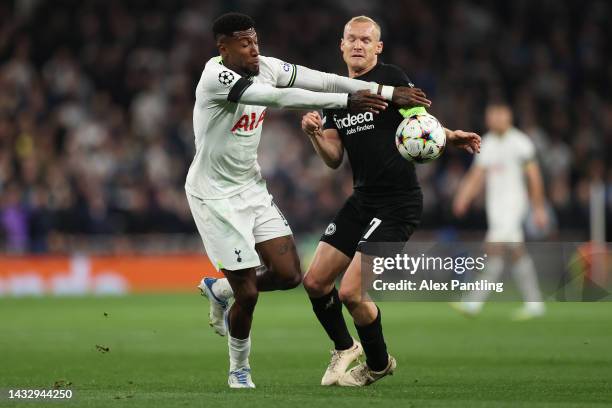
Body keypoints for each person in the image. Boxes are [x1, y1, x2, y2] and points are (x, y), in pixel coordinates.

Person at [187, 12, 427, 389]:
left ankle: (220, 289)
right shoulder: (215, 78)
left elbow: (326, 80)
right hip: (214, 195)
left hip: (253, 186)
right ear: (223, 48)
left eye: (255, 39)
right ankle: (240, 368)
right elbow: (278, 98)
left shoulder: (267, 65)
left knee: (291, 276)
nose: (254, 48)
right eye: (244, 43)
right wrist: (346, 104)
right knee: (253, 291)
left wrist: (379, 92)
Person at [300, 16, 481, 387]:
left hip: (399, 203)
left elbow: (420, 120)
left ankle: (378, 364)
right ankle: (346, 347)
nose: (358, 45)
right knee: (316, 282)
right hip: (363, 198)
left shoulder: (391, 78)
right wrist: (315, 135)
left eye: (366, 40)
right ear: (341, 44)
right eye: (352, 39)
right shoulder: (336, 92)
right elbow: (334, 158)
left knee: (351, 292)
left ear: (377, 47)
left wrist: (449, 136)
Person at [452, 102, 548, 320]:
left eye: (498, 115)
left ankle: (473, 302)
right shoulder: (487, 143)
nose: (494, 120)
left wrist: (539, 208)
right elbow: (477, 175)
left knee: (493, 248)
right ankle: (535, 304)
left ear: (508, 117)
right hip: (496, 208)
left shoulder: (521, 143)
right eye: (491, 116)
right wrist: (463, 197)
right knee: (516, 253)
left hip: (514, 206)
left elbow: (534, 176)